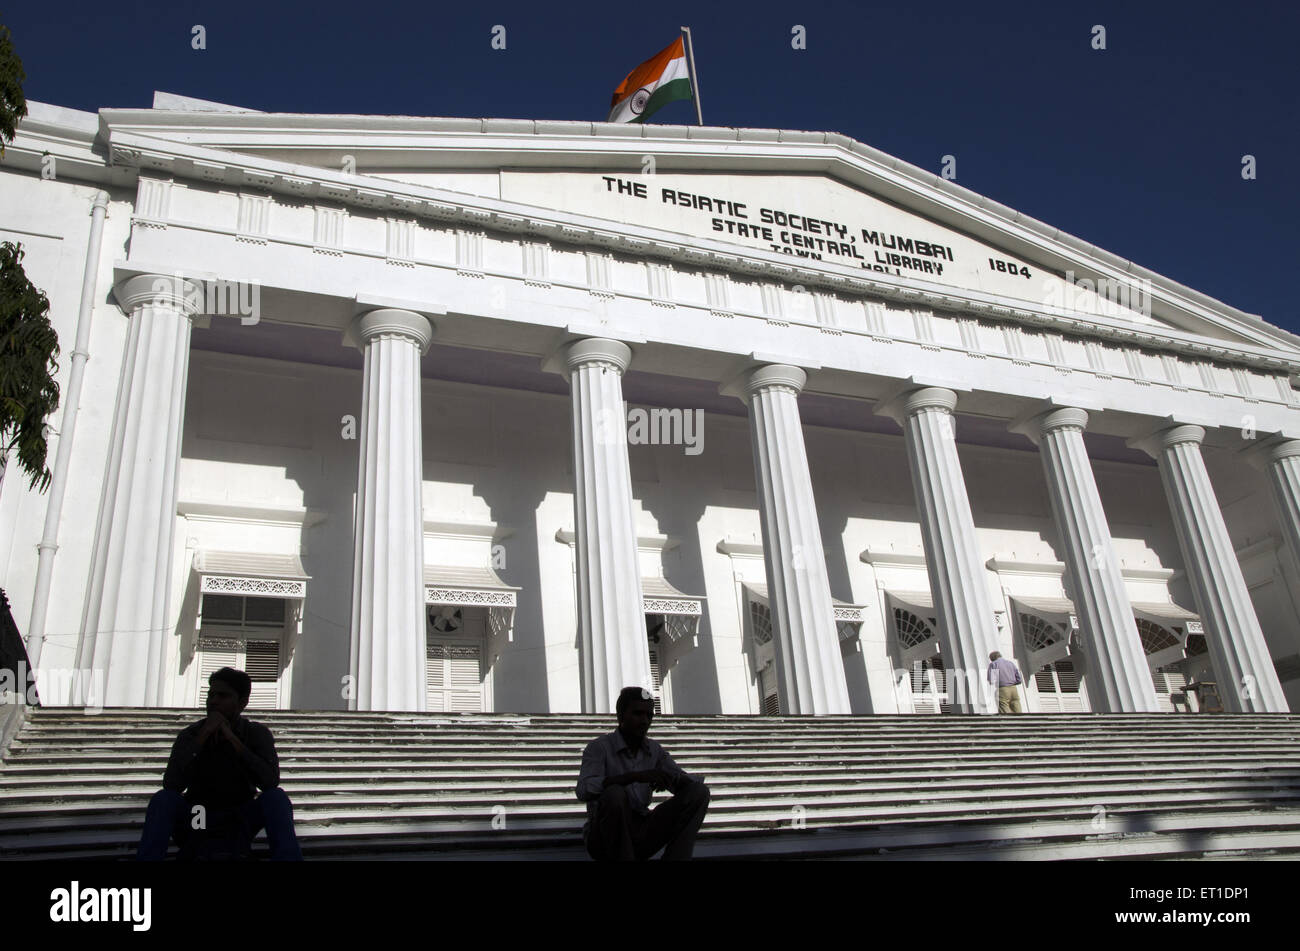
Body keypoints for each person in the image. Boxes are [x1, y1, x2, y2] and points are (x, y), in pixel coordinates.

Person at [136, 667, 303, 860]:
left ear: (242, 703)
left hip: (239, 817)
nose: (213, 701)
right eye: (211, 695)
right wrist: (202, 737)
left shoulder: (256, 733)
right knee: (163, 799)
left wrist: (234, 741)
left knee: (276, 798)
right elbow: (172, 784)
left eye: (222, 696)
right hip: (199, 817)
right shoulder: (191, 734)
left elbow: (269, 782)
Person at [576, 686, 710, 861]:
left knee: (699, 792)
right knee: (614, 794)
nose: (644, 721)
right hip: (605, 836)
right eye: (637, 714)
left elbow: (682, 779)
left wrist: (674, 780)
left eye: (649, 715)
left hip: (641, 829)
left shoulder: (654, 750)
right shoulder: (600, 747)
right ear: (621, 715)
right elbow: (584, 789)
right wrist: (634, 777)